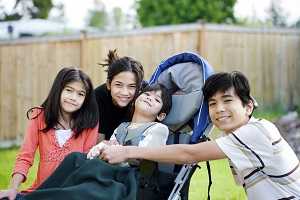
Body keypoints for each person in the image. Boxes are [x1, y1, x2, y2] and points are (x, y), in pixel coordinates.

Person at [101, 71, 300, 200]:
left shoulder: (256, 132)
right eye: (212, 104)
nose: (219, 109)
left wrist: (127, 151)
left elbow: (190, 154)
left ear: (248, 107)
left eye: (227, 100)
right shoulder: (239, 138)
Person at [16, 83, 172, 200]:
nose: (150, 99)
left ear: (161, 115)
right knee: (75, 158)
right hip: (107, 169)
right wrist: (103, 148)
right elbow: (105, 150)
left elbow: (146, 156)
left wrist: (117, 150)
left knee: (84, 189)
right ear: (136, 99)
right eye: (147, 95)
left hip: (128, 177)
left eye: (156, 99)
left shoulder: (157, 128)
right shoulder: (122, 126)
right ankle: (38, 195)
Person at [0, 67, 99, 200]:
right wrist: (13, 188)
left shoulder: (90, 123)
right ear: (58, 90)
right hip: (42, 191)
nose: (73, 98)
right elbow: (25, 156)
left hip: (73, 193)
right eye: (69, 90)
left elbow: (87, 164)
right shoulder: (39, 116)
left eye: (80, 94)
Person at [94, 49, 145, 141]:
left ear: (139, 87)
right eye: (118, 85)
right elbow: (99, 138)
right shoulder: (98, 97)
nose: (124, 92)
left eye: (131, 86)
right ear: (109, 84)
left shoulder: (145, 95)